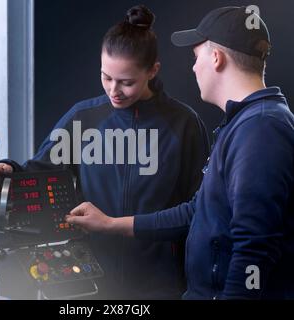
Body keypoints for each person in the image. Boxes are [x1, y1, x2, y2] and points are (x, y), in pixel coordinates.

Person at [66, 6, 294, 299]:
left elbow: (254, 249)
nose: (193, 67)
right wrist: (111, 225)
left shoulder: (261, 129)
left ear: (216, 58)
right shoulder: (247, 124)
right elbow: (195, 212)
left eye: (196, 56)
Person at [0, 5, 209, 299]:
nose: (114, 90)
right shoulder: (83, 118)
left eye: (126, 82)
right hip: (88, 283)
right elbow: (40, 170)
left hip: (159, 285)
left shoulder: (184, 125)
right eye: (106, 77)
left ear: (152, 70)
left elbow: (200, 211)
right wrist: (8, 168)